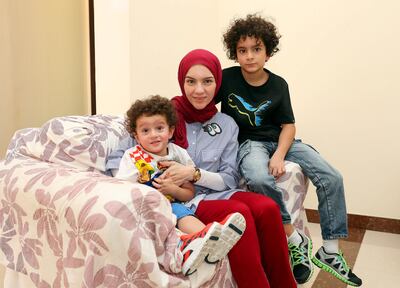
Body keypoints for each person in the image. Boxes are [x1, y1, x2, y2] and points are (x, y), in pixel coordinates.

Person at [215, 13, 362, 287]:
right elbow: (201, 100)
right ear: (235, 53)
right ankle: (294, 239)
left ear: (268, 52)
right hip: (250, 143)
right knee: (259, 177)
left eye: (256, 49)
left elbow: (289, 126)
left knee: (332, 177)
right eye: (242, 50)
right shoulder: (227, 79)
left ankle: (329, 251)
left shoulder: (279, 84)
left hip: (283, 140)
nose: (250, 56)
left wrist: (280, 155)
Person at [152, 49, 297, 287]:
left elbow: (229, 178)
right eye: (191, 81)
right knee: (240, 214)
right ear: (181, 81)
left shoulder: (227, 124)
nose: (199, 90)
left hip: (219, 191)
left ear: (217, 83)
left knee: (269, 208)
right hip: (186, 201)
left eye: (207, 82)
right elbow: (127, 153)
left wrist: (194, 173)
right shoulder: (163, 119)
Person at [115, 95, 245, 277]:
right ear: (136, 136)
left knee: (183, 214)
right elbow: (123, 189)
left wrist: (173, 190)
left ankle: (208, 238)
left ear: (170, 131)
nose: (153, 134)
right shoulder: (132, 156)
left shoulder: (179, 155)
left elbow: (189, 193)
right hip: (144, 207)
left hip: (174, 205)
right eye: (145, 131)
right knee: (167, 220)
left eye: (159, 128)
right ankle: (188, 246)